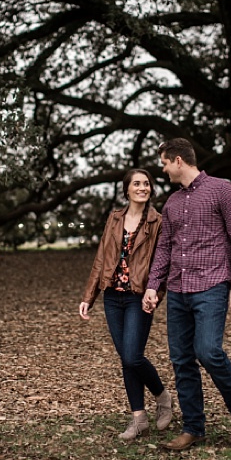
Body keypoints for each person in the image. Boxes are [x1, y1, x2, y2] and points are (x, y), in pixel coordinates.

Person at [142, 138, 231, 451]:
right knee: (181, 360)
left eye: (164, 163)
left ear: (178, 160)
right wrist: (154, 285)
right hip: (177, 290)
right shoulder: (172, 204)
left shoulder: (221, 189)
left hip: (212, 285)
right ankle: (194, 427)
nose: (162, 170)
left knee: (208, 351)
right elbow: (164, 248)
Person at [80, 169, 173, 440]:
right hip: (112, 296)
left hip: (138, 296)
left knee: (133, 356)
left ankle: (162, 396)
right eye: (137, 183)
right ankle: (138, 419)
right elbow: (101, 258)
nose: (142, 188)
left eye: (146, 183)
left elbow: (162, 262)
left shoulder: (158, 222)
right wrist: (89, 297)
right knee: (126, 359)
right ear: (127, 189)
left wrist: (156, 294)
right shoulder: (114, 218)